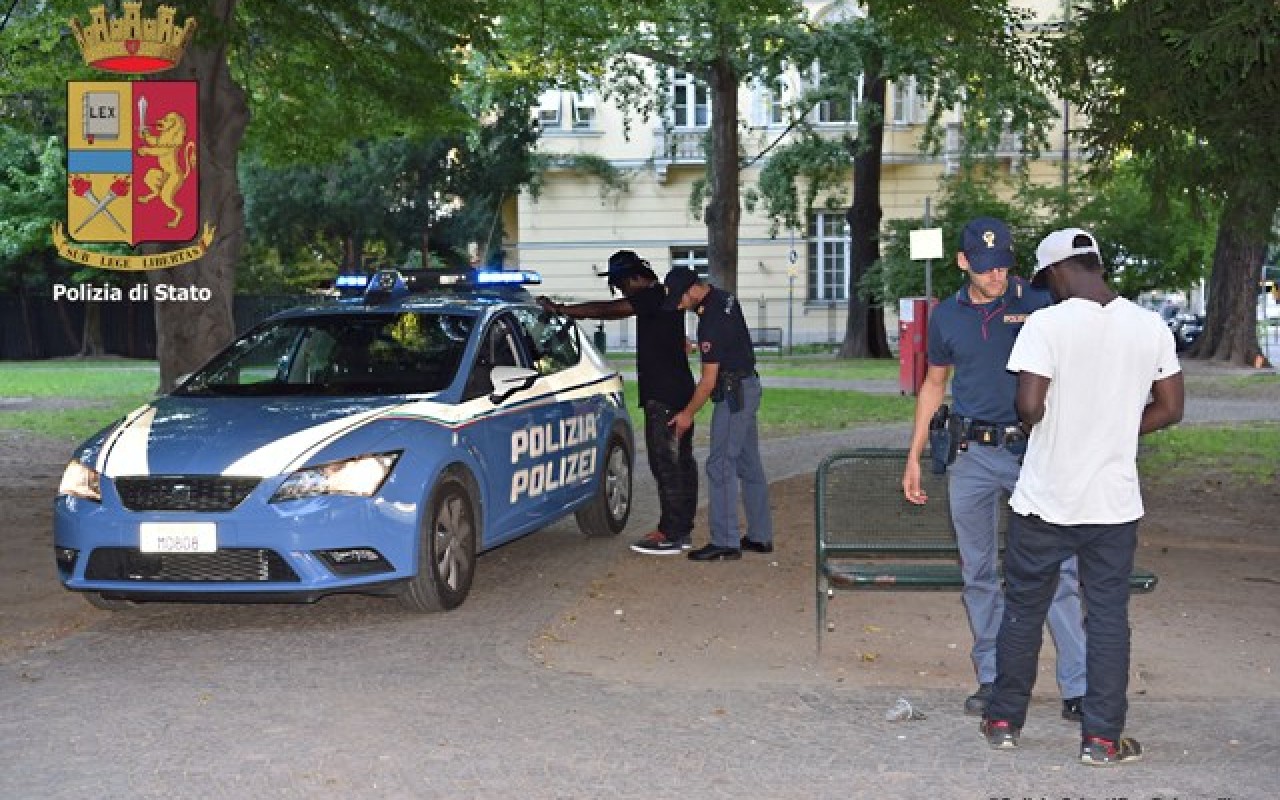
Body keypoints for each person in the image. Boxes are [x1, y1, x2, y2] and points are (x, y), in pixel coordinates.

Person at [980, 228, 1184, 765]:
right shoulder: (1149, 325)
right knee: (1109, 617)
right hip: (1113, 504)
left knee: (1024, 607)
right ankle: (1101, 739)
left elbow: (1028, 405)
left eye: (1046, 281)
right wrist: (1115, 428)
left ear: (1057, 272)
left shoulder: (1046, 324)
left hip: (1046, 498)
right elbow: (1171, 407)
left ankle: (1003, 721)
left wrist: (1050, 423)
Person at [901, 217, 1087, 719]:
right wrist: (915, 454)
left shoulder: (1040, 302)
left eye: (1002, 264)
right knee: (979, 573)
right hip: (972, 456)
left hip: (1034, 452)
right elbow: (934, 383)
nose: (995, 275)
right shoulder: (946, 316)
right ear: (963, 262)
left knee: (1058, 570)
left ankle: (1078, 686)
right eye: (984, 267)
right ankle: (994, 678)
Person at [537, 251, 698, 555]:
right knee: (681, 463)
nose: (623, 292)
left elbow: (608, 310)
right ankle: (681, 528)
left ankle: (671, 533)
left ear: (637, 277)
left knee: (666, 464)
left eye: (623, 284)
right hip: (678, 390)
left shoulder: (652, 296)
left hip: (664, 395)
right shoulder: (665, 297)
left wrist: (562, 309)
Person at [662, 267, 773, 562]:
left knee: (720, 464)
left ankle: (725, 541)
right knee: (749, 464)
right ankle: (760, 536)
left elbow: (708, 381)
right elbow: (729, 342)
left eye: (680, 299)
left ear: (692, 289)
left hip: (734, 396)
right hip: (748, 387)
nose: (679, 306)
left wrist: (687, 414)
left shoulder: (710, 322)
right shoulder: (724, 298)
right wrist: (699, 347)